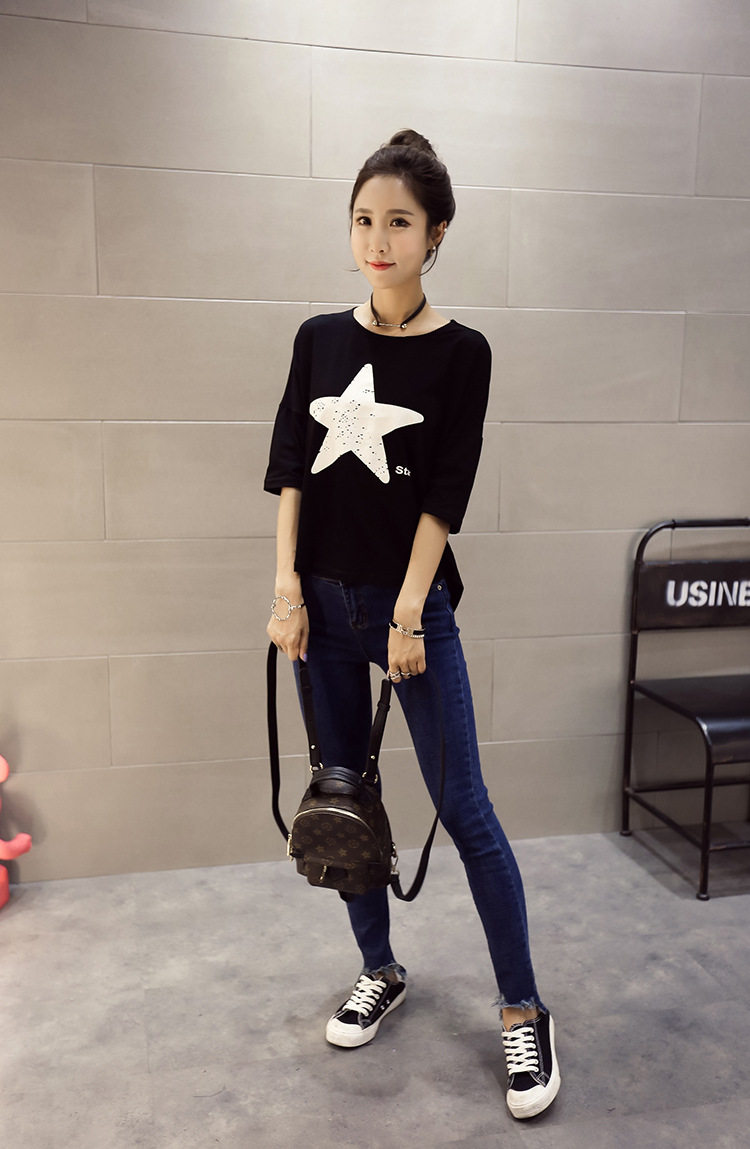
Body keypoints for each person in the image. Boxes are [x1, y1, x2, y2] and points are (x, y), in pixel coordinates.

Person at [264, 130, 560, 1121]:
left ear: (436, 234)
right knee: (344, 799)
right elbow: (291, 470)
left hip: (408, 608)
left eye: (398, 222)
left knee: (464, 808)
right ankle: (379, 968)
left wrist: (406, 611)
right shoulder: (318, 338)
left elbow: (446, 491)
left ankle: (523, 1010)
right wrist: (285, 589)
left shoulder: (462, 353)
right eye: (363, 220)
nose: (376, 241)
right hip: (321, 604)